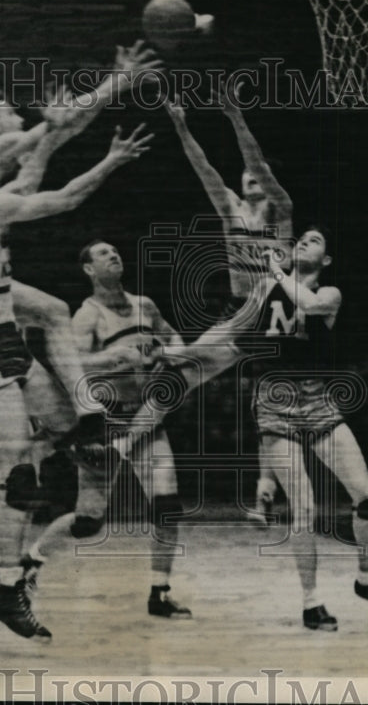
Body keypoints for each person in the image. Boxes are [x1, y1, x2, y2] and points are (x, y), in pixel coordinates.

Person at [0, 42, 161, 554]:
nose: (15, 112)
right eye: (5, 110)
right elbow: (53, 140)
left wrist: (86, 105)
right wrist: (113, 86)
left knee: (43, 321)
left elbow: (51, 141)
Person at [0, 122, 152, 640]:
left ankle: (70, 430)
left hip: (7, 342)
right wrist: (110, 160)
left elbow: (29, 171)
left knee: (53, 437)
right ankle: (6, 579)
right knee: (18, 478)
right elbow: (65, 197)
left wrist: (59, 128)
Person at [118, 86, 293, 523]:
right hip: (239, 314)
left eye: (258, 175)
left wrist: (235, 118)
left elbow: (258, 163)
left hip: (277, 317)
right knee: (181, 380)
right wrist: (180, 124)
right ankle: (120, 446)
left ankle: (167, 352)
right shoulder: (231, 211)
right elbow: (205, 169)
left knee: (270, 411)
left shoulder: (283, 213)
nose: (249, 176)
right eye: (245, 175)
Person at [20, 239, 192, 619]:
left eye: (116, 250)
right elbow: (72, 363)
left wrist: (169, 354)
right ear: (88, 270)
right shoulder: (87, 314)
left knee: (167, 505)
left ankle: (159, 592)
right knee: (88, 523)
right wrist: (115, 359)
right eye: (103, 254)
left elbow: (175, 338)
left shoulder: (145, 305)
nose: (114, 254)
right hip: (107, 423)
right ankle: (31, 560)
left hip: (146, 418)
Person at [252, 226, 368, 631]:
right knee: (302, 506)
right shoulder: (266, 289)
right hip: (274, 398)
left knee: (367, 495)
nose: (304, 241)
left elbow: (311, 304)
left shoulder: (329, 293)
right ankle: (311, 602)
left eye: (315, 241)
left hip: (317, 399)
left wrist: (277, 273)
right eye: (301, 238)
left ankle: (366, 579)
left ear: (328, 260)